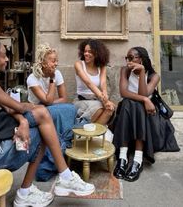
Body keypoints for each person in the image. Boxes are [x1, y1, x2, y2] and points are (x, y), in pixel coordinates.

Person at [0, 39, 95, 207]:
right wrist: (29, 109)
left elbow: (9, 109)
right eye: (3, 56)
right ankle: (59, 179)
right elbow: (18, 106)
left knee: (42, 123)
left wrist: (23, 121)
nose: (7, 60)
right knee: (42, 117)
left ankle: (45, 184)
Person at [112, 46, 180, 182]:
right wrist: (144, 100)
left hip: (148, 115)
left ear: (141, 59)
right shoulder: (125, 71)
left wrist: (142, 72)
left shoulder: (154, 76)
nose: (128, 62)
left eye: (131, 58)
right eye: (127, 58)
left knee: (135, 105)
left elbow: (143, 92)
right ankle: (123, 158)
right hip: (129, 112)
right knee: (127, 102)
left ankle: (137, 160)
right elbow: (124, 93)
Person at [27, 43, 77, 181]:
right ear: (43, 62)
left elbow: (63, 98)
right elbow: (47, 101)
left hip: (49, 108)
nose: (56, 63)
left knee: (71, 108)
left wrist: (48, 104)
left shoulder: (58, 73)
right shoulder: (32, 78)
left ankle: (59, 151)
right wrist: (51, 80)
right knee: (57, 112)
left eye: (56, 60)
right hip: (36, 113)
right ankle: (50, 162)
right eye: (53, 60)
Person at [74, 39, 115, 140]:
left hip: (97, 100)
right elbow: (89, 83)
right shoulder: (79, 64)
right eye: (85, 51)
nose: (86, 54)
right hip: (81, 101)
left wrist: (106, 99)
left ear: (97, 53)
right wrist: (104, 100)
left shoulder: (101, 66)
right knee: (99, 107)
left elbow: (103, 83)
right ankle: (87, 133)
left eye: (90, 52)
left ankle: (90, 135)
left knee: (110, 109)